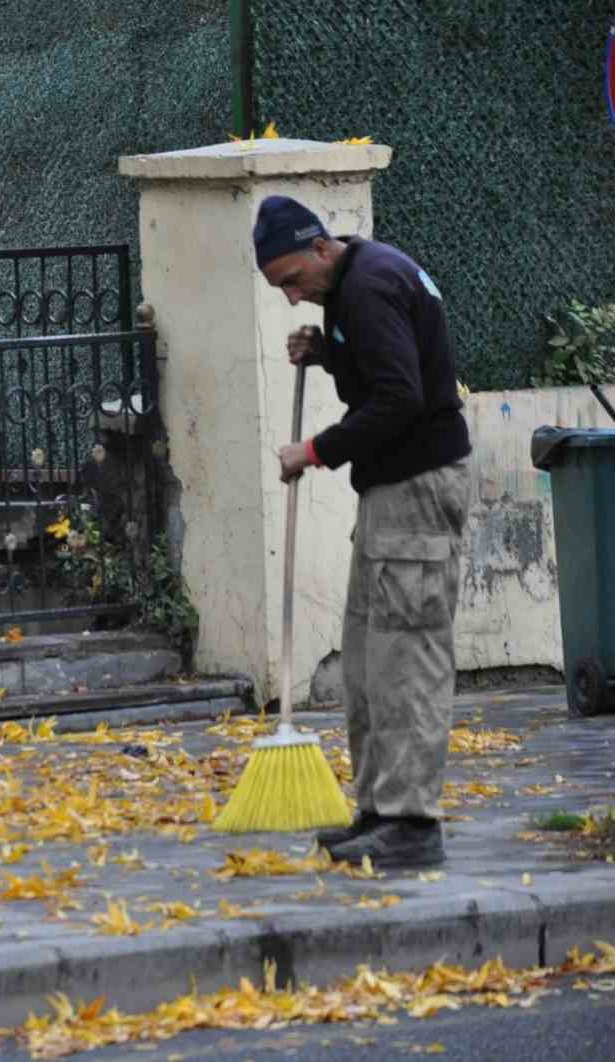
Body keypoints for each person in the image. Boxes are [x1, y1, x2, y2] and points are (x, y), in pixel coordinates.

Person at [252, 195, 471, 869]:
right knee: (370, 659)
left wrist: (314, 451)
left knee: (404, 662)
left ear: (321, 248)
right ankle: (381, 811)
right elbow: (383, 369)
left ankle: (411, 823)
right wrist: (327, 352)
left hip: (415, 489)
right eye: (281, 289)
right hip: (392, 494)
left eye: (292, 280)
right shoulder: (357, 281)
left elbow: (402, 398)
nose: (292, 298)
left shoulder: (370, 286)